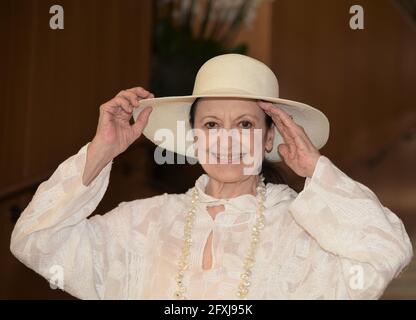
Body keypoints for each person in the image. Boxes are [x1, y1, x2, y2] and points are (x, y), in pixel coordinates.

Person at [10, 54, 413, 300]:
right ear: (194, 135)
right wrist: (101, 151)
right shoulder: (142, 223)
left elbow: (388, 251)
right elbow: (36, 241)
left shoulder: (304, 225)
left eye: (244, 124)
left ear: (270, 135)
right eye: (212, 124)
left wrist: (315, 170)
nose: (227, 141)